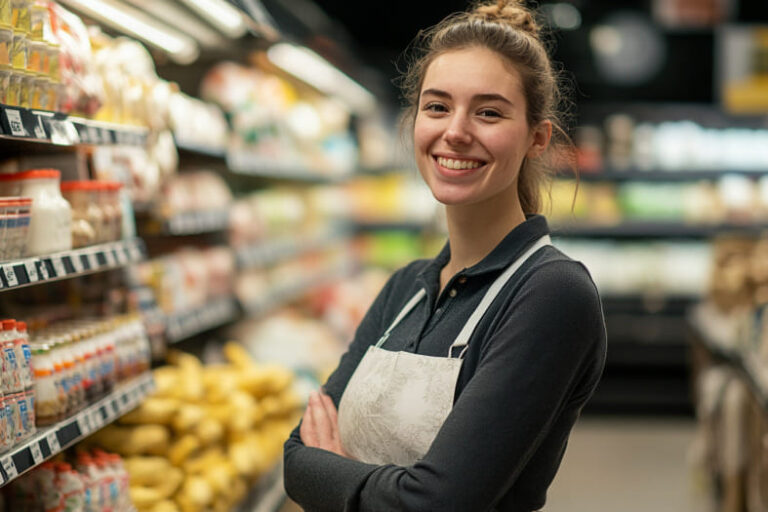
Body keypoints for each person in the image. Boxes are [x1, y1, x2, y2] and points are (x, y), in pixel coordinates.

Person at [283, 1, 607, 510]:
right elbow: (295, 456)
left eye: (489, 112)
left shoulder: (550, 293)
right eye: (437, 107)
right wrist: (337, 475)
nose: (455, 131)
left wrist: (330, 474)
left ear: (536, 138)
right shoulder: (406, 287)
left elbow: (438, 503)